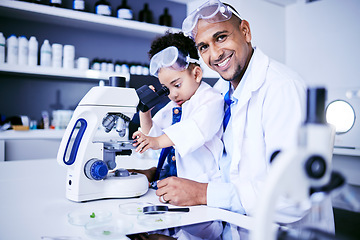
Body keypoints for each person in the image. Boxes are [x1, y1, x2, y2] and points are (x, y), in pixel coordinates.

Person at [154, 0, 335, 238]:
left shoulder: (282, 88)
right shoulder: (219, 93)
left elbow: (294, 195)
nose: (215, 54)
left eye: (220, 37)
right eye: (203, 47)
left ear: (245, 32)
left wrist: (203, 193)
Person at [130, 31, 224, 239]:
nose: (172, 94)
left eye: (177, 85)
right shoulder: (174, 104)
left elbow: (192, 131)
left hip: (200, 199)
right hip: (173, 194)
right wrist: (144, 110)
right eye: (166, 88)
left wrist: (154, 141)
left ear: (197, 74)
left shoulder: (211, 100)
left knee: (198, 233)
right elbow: (152, 134)